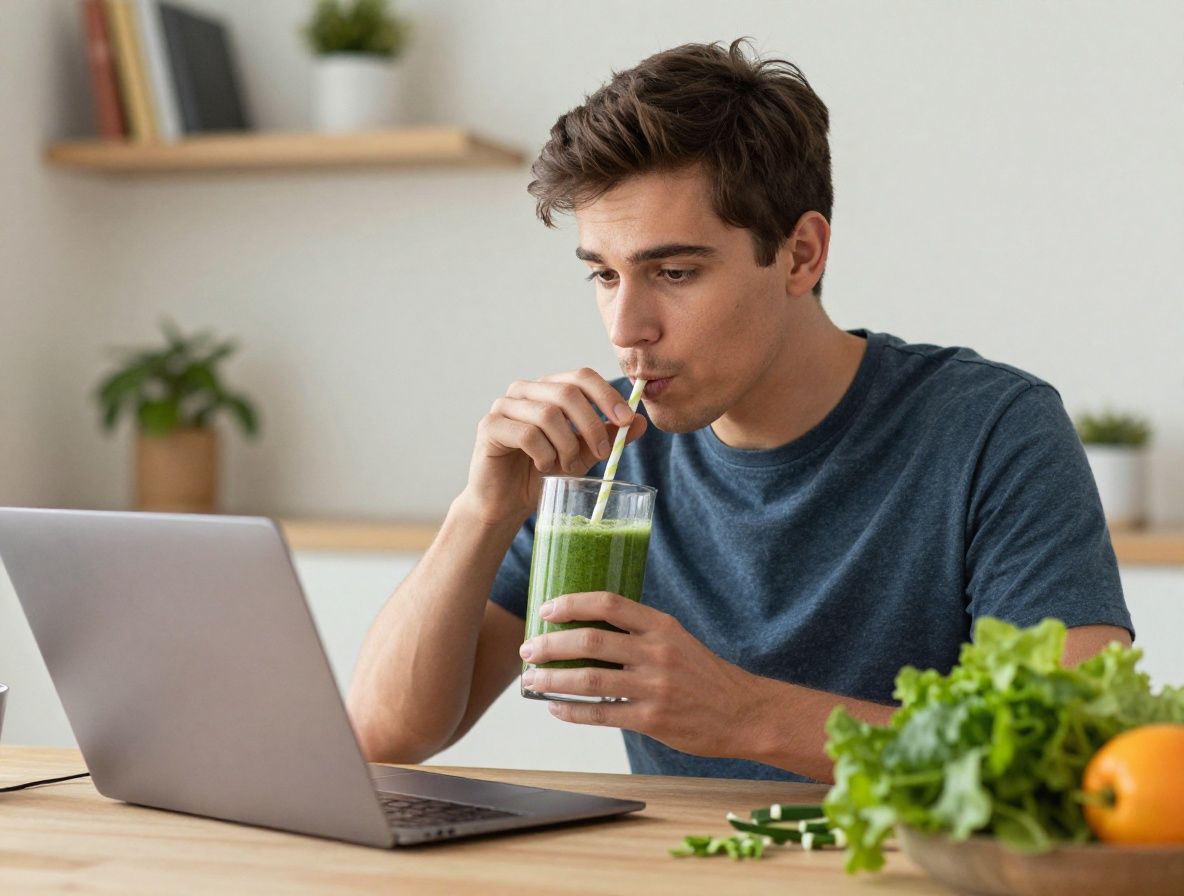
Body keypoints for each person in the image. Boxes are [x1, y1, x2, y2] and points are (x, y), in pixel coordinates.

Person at [346, 39, 1132, 783]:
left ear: (801, 255)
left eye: (675, 272)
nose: (626, 330)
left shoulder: (992, 430)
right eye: (605, 276)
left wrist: (745, 715)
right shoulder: (608, 443)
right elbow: (385, 734)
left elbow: (1071, 751)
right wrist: (481, 511)